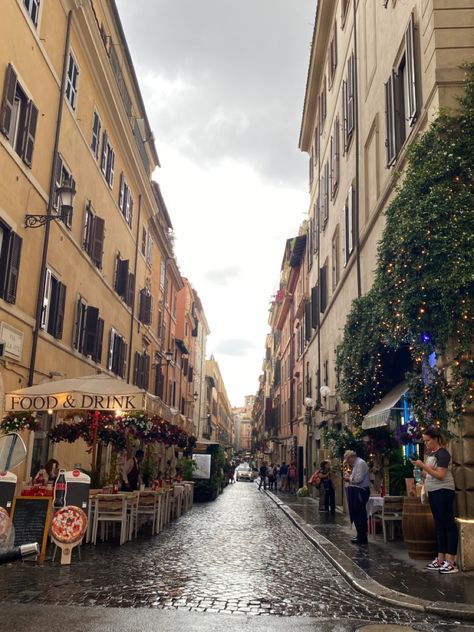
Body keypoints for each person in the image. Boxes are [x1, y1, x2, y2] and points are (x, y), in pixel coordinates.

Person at [414, 426, 458, 574]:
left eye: (427, 441)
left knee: (448, 524)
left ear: (435, 439)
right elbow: (431, 475)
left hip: (443, 491)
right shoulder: (431, 454)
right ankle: (441, 558)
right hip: (433, 491)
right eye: (424, 441)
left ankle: (451, 560)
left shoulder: (443, 453)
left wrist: (423, 467)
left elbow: (440, 475)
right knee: (439, 525)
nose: (426, 444)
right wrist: (420, 471)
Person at [344, 450, 370, 545]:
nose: (348, 463)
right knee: (357, 513)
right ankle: (360, 535)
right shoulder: (357, 464)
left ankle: (362, 536)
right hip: (358, 491)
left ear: (351, 457)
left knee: (359, 514)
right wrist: (350, 476)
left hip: (361, 491)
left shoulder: (360, 463)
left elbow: (358, 479)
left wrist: (349, 478)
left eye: (348, 460)